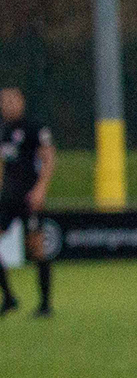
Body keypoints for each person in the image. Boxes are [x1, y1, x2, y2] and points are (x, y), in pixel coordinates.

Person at [0, 85, 55, 317]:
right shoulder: (2, 130)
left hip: (29, 196)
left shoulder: (34, 127)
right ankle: (9, 297)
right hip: (7, 197)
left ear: (21, 102)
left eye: (12, 101)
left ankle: (45, 305)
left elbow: (48, 157)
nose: (7, 105)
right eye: (4, 101)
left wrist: (41, 188)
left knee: (36, 247)